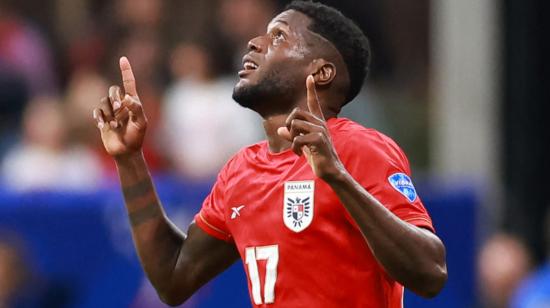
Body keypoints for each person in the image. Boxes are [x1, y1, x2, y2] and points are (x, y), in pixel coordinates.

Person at [93, 1, 447, 307]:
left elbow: (431, 272)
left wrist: (338, 178)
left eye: (279, 36)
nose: (255, 42)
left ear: (321, 72)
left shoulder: (359, 148)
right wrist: (129, 159)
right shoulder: (241, 171)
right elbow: (173, 278)